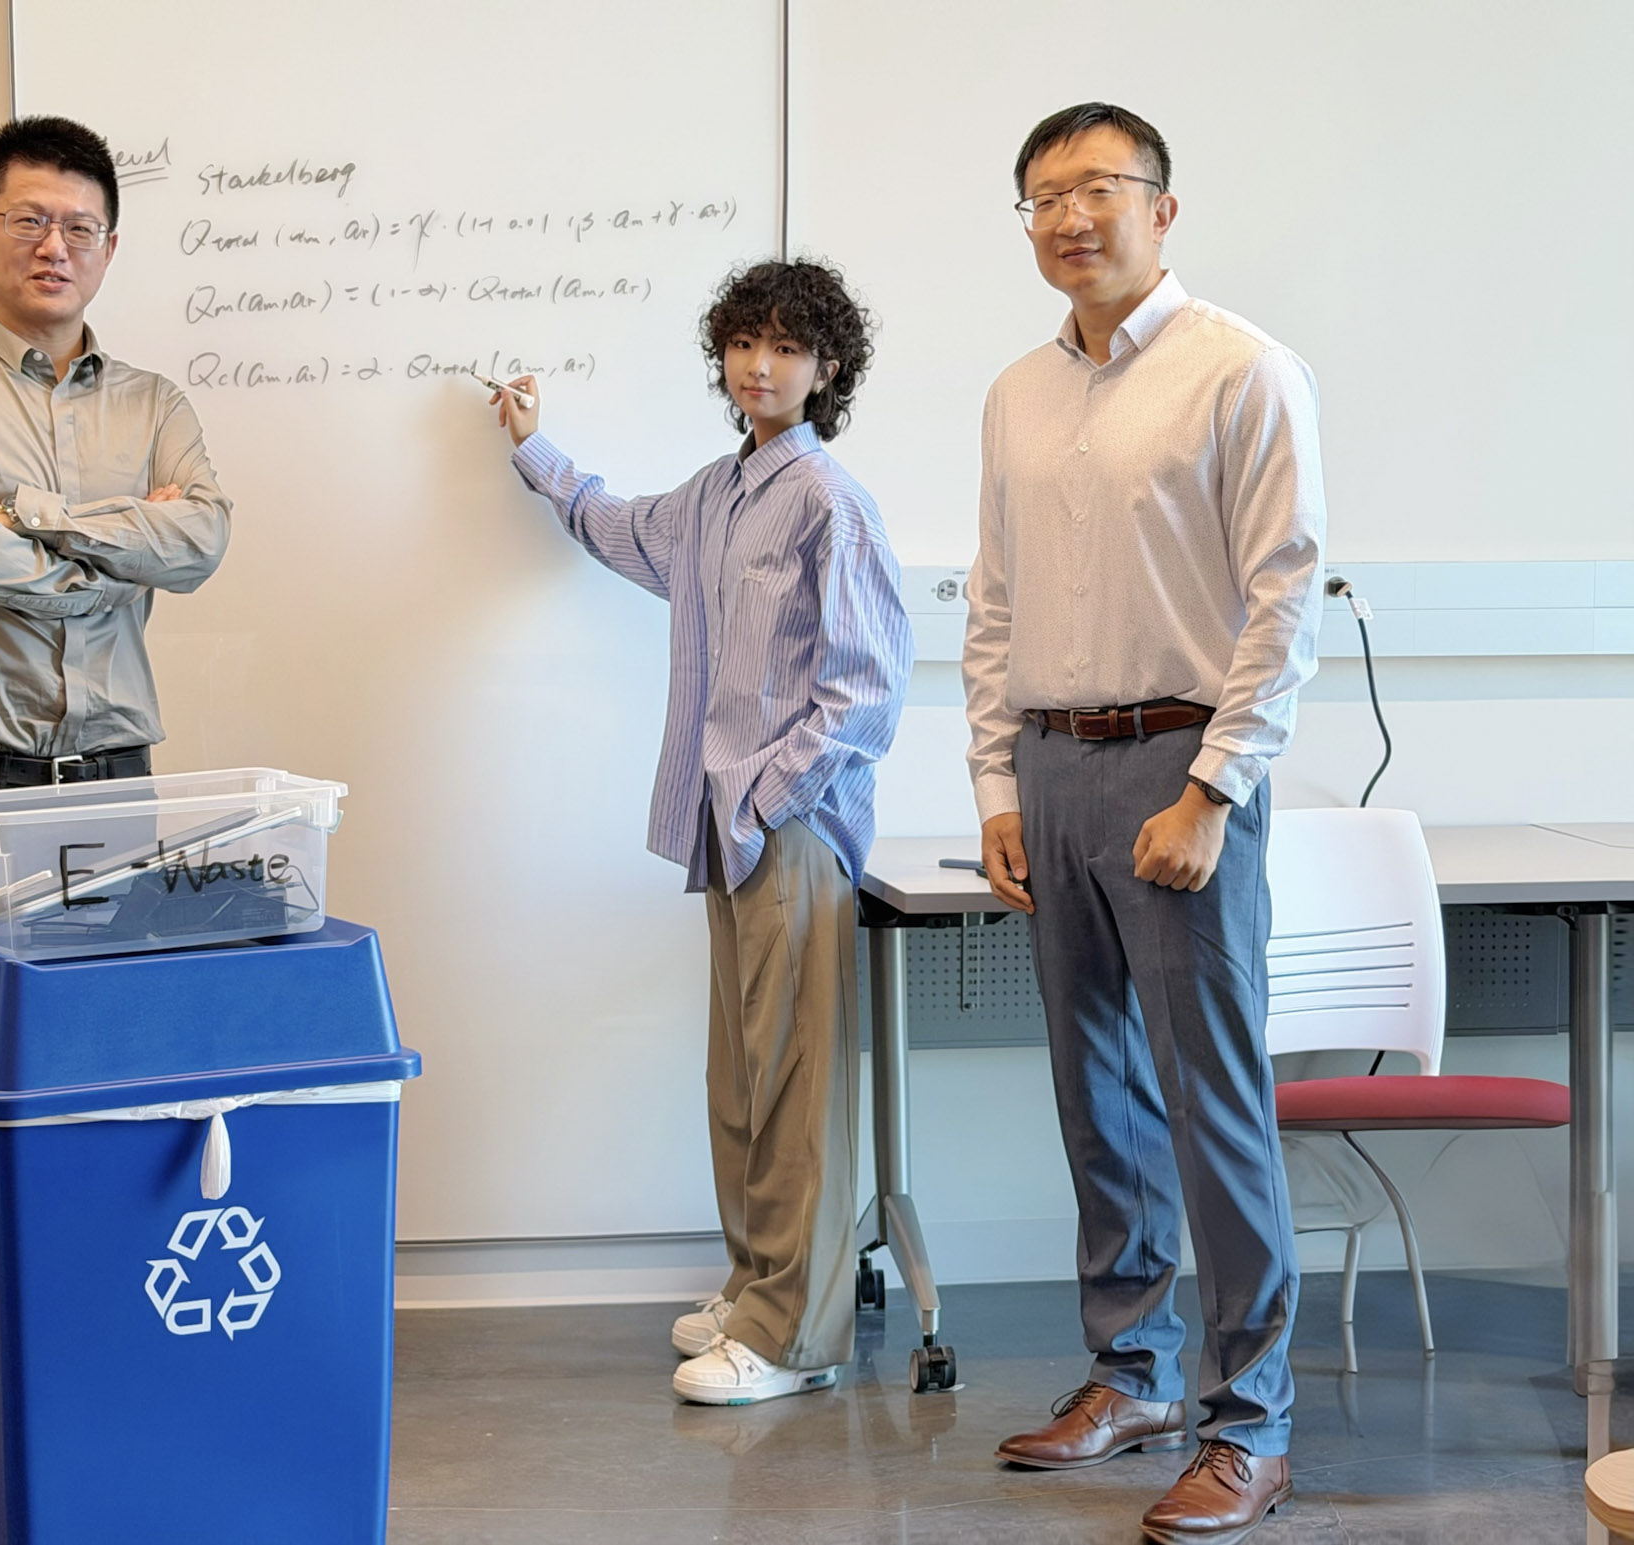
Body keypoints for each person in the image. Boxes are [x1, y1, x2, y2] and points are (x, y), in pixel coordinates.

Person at [962, 103, 1324, 1543]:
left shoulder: (1242, 370)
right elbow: (993, 602)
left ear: (1162, 210)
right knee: (1096, 1098)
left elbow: (1287, 596)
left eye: (1101, 189)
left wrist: (1215, 788)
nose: (1071, 218)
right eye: (1044, 198)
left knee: (1209, 1100)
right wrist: (996, 783)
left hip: (1181, 766)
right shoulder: (1015, 393)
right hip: (1052, 770)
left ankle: (1255, 1424)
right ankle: (1132, 1375)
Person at [490, 260, 912, 1405]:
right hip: (726, 827)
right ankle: (756, 1284)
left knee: (792, 1086)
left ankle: (795, 1337)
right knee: (740, 1073)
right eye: (742, 344)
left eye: (785, 348)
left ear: (827, 370)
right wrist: (535, 451)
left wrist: (769, 797)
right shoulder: (717, 494)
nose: (759, 365)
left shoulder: (829, 501)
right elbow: (615, 528)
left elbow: (865, 693)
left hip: (787, 829)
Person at [0, 116, 231, 928]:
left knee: (103, 1044)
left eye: (79, 227)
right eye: (28, 219)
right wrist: (114, 563)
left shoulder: (155, 402)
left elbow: (201, 541)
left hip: (113, 783)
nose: (53, 246)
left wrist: (32, 515)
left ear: (108, 246)